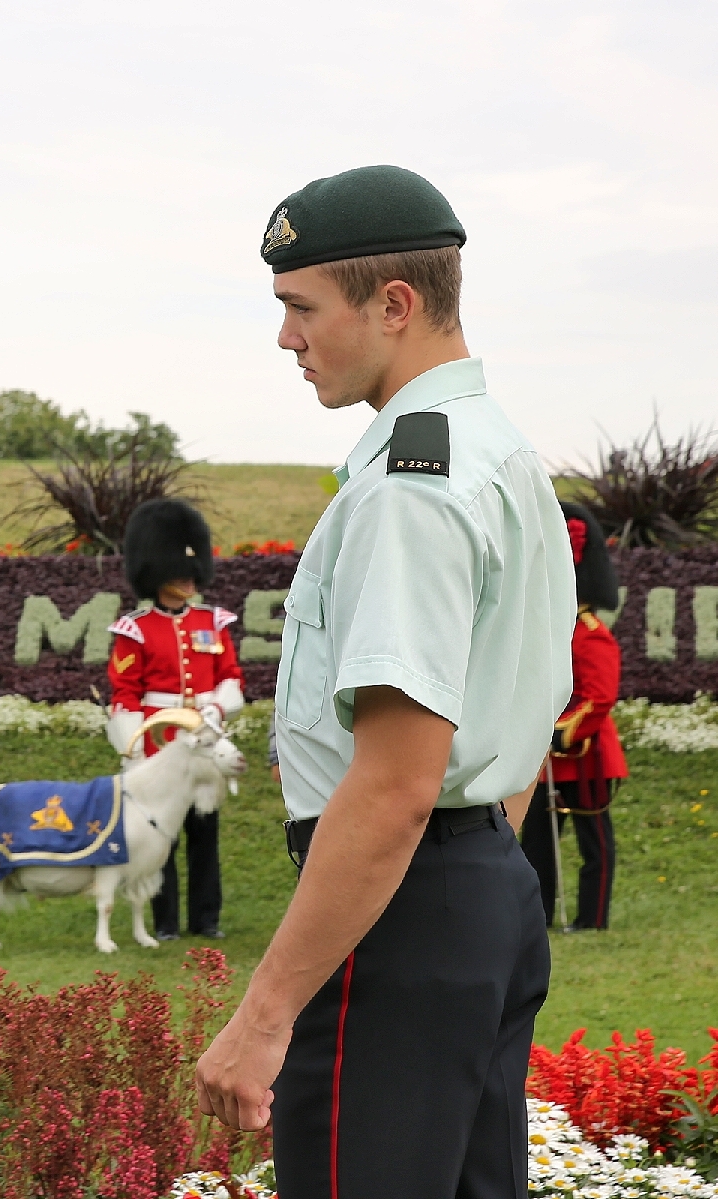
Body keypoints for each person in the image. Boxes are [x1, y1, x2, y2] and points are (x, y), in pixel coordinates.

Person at [194, 165, 576, 1198]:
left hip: (400, 913)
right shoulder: (500, 453)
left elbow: (398, 783)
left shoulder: (412, 489)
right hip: (485, 886)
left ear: (394, 304)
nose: (287, 339)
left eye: (299, 307)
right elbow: (518, 711)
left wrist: (261, 1016)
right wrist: (473, 879)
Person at [106, 498, 245, 940]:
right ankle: (164, 922)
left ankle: (206, 919)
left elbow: (231, 678)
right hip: (159, 746)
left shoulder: (212, 622)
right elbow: (125, 694)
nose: (189, 579)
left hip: (203, 741)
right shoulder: (136, 629)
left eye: (192, 570)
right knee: (161, 835)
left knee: (206, 832)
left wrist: (216, 709)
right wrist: (133, 750)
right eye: (178, 570)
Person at [522, 502, 626, 931]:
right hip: (547, 759)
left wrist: (560, 733)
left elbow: (599, 698)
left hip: (585, 757)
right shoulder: (553, 632)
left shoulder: (590, 634)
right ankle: (536, 916)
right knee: (537, 846)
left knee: (595, 844)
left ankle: (592, 919)